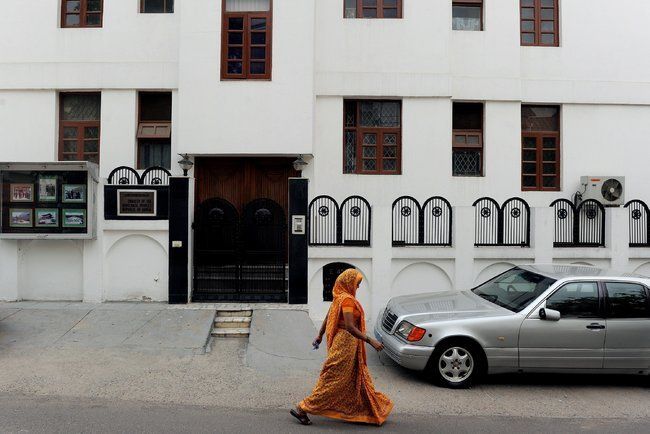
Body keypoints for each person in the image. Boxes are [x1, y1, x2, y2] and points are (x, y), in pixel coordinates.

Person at [290, 269, 393, 426]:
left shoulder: (339, 298)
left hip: (347, 344)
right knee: (334, 379)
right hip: (345, 344)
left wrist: (320, 335)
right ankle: (303, 407)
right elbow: (351, 327)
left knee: (354, 378)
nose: (358, 287)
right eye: (357, 284)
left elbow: (328, 317)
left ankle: (361, 409)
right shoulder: (346, 301)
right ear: (348, 283)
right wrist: (371, 341)